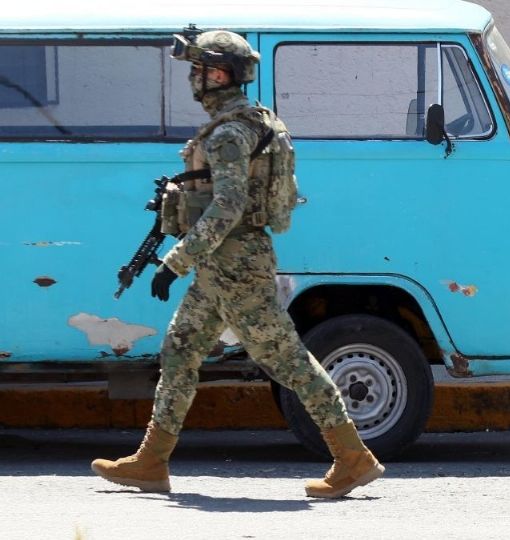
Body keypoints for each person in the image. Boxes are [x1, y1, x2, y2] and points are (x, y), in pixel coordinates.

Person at [91, 28, 383, 499]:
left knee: (286, 360)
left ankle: (352, 456)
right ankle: (151, 461)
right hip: (220, 264)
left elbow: (226, 206)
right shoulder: (247, 120)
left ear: (220, 75)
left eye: (199, 69)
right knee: (180, 349)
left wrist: (175, 262)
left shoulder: (229, 132)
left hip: (235, 264)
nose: (194, 78)